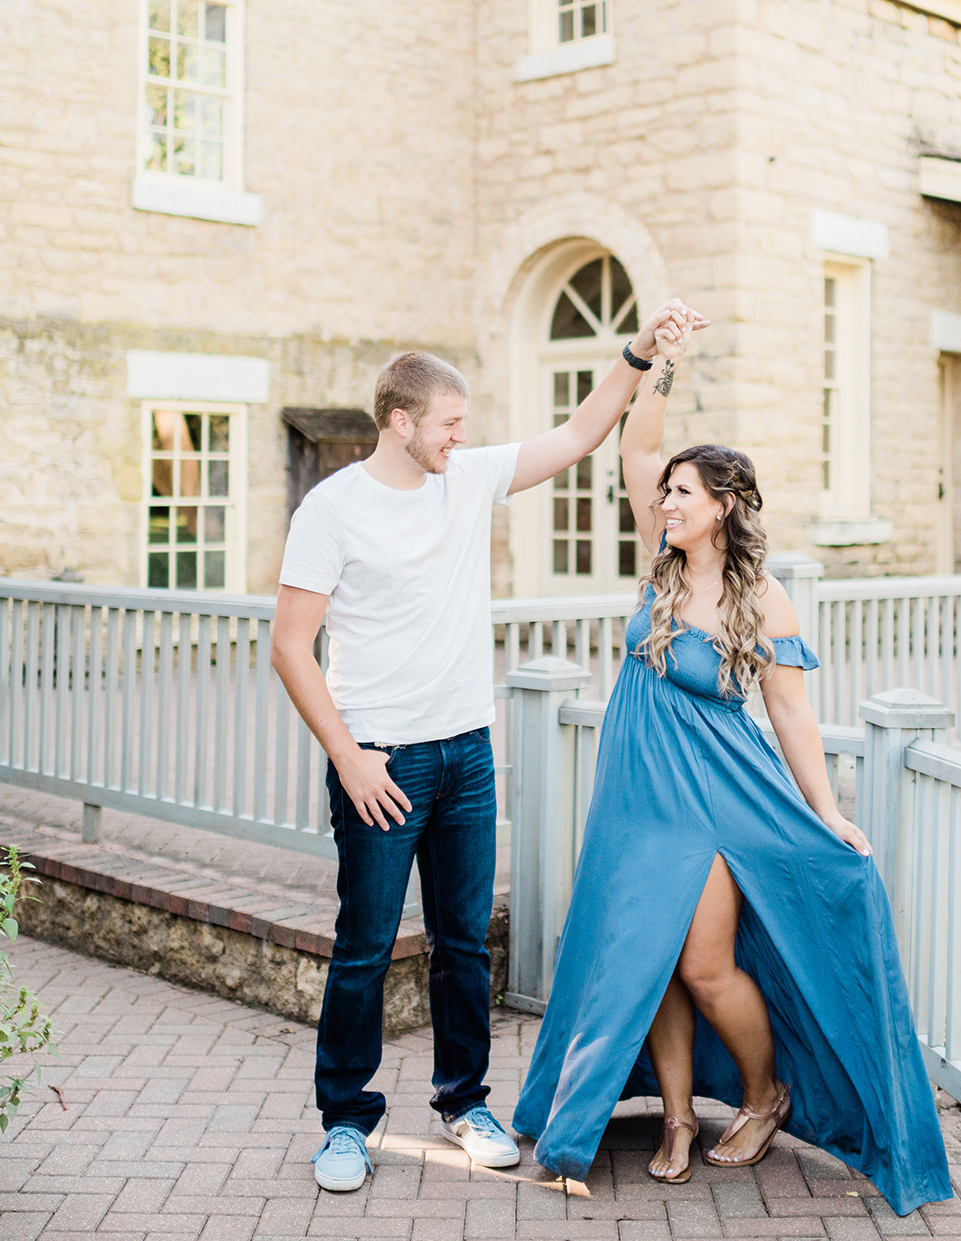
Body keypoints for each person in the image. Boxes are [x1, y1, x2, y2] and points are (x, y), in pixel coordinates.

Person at [512, 319, 952, 1213]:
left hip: (714, 795)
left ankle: (764, 1094)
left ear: (724, 504)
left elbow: (791, 713)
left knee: (703, 963)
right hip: (635, 795)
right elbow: (634, 440)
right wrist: (661, 359)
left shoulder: (762, 597)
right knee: (648, 955)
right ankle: (675, 1117)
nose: (666, 501)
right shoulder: (659, 567)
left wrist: (823, 810)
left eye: (683, 493)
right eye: (665, 491)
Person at [270, 301, 707, 1192]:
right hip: (380, 760)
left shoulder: (465, 479)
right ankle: (346, 1123)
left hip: (466, 753)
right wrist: (350, 757)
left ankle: (463, 1102)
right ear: (401, 422)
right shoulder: (333, 509)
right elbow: (289, 645)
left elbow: (585, 431)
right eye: (448, 424)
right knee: (363, 945)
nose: (459, 438)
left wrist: (639, 352)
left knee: (464, 944)